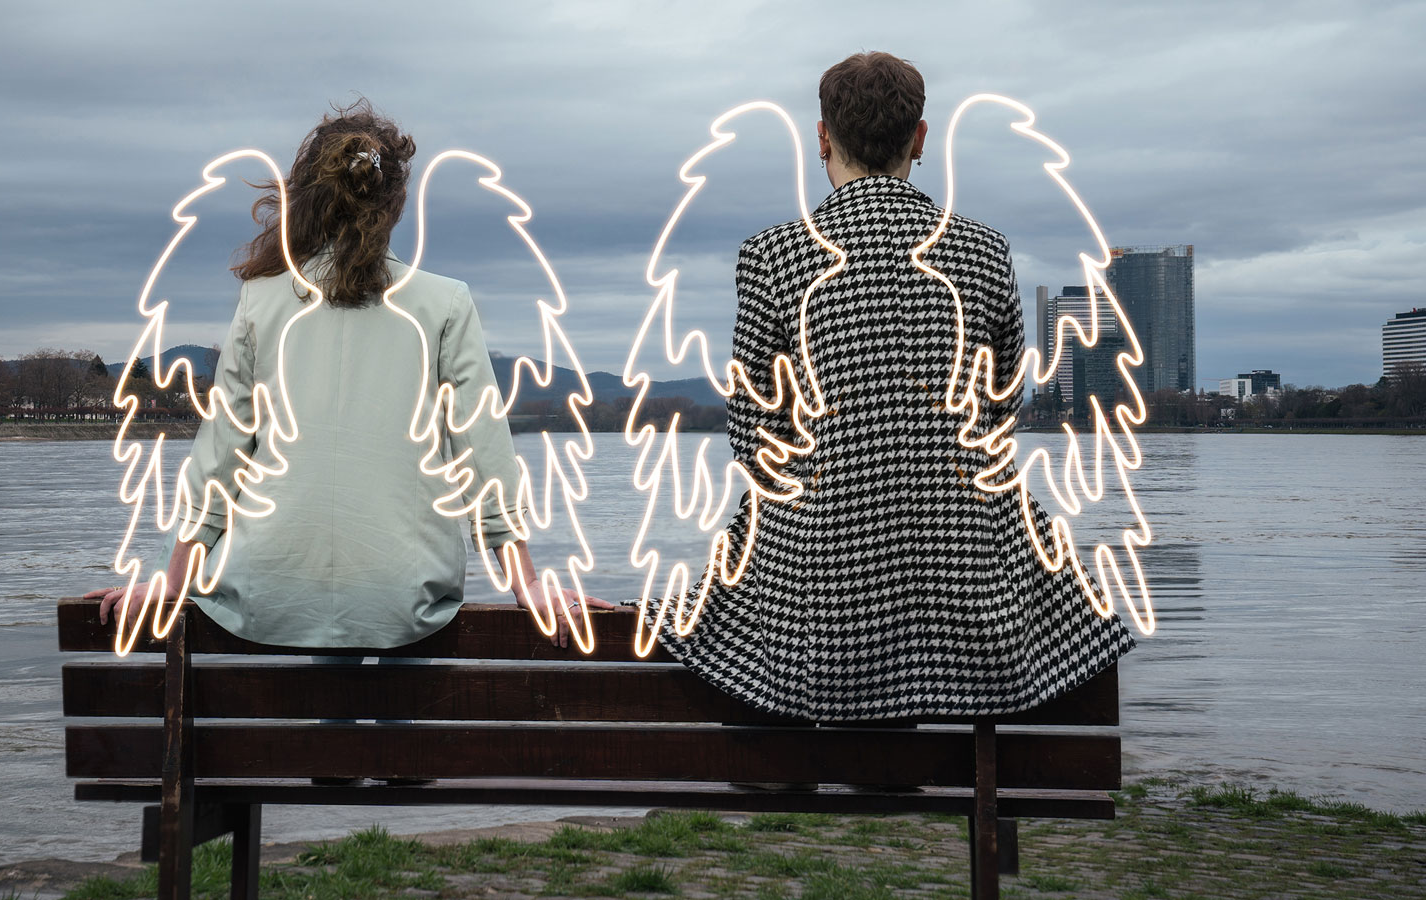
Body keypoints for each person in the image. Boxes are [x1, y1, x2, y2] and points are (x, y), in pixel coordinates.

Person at [655, 53, 1135, 724]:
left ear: (822, 138)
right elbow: (1001, 412)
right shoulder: (983, 251)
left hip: (819, 621)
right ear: (920, 138)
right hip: (971, 616)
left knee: (741, 560)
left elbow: (751, 434)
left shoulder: (774, 255)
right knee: (1021, 536)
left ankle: (784, 752)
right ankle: (898, 749)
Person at [86, 98, 607, 650]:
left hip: (269, 594)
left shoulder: (260, 301)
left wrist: (172, 581)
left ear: (306, 197)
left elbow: (220, 456)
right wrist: (525, 580)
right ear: (395, 204)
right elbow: (483, 452)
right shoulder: (446, 303)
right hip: (403, 600)